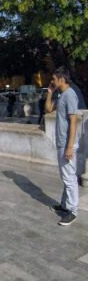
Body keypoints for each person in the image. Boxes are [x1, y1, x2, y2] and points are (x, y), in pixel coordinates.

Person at [45, 67, 82, 226]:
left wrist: (69, 146)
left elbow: (73, 121)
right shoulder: (61, 95)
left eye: (54, 78)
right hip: (61, 142)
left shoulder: (70, 95)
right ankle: (65, 205)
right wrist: (50, 93)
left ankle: (72, 211)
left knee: (69, 177)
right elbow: (48, 109)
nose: (52, 81)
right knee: (66, 176)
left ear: (62, 79)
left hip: (67, 143)